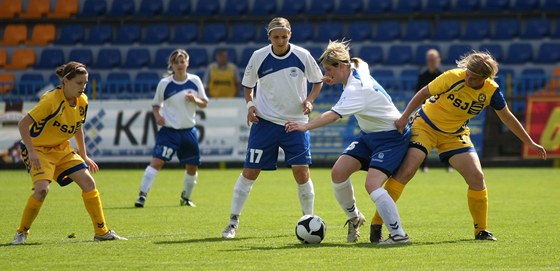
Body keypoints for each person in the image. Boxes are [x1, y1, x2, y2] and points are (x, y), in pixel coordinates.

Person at [369, 50, 547, 243]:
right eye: (467, 72)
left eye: (473, 77)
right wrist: (404, 118)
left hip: (454, 134)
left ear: (484, 78)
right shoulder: (453, 76)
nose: (468, 77)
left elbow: (507, 118)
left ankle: (481, 231)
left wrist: (529, 142)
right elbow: (423, 93)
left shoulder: (491, 92)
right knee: (406, 171)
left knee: (477, 177)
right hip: (425, 126)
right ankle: (377, 224)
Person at [285, 40, 411, 245]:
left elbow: (333, 115)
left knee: (372, 185)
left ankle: (399, 235)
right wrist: (333, 77)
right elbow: (360, 61)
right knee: (338, 172)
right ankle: (355, 218)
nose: (326, 73)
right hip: (369, 136)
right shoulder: (356, 68)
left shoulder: (356, 89)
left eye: (329, 69)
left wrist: (304, 126)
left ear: (342, 66)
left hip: (391, 137)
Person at [221, 17, 323, 239]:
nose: (280, 40)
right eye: (276, 36)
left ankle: (309, 220)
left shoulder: (302, 55)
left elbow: (318, 80)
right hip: (265, 123)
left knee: (302, 173)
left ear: (290, 35)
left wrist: (310, 100)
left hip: (295, 123)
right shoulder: (258, 56)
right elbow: (248, 86)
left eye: (284, 36)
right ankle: (232, 222)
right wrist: (250, 106)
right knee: (250, 172)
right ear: (269, 36)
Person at [13, 61, 127, 245]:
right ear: (65, 81)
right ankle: (22, 232)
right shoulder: (50, 101)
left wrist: (84, 155)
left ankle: (101, 232)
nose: (83, 87)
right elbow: (22, 124)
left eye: (85, 83)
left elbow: (77, 127)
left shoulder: (83, 101)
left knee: (89, 182)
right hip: (39, 150)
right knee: (42, 191)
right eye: (79, 82)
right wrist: (32, 152)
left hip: (61, 148)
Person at [134, 49, 209, 208]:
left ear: (187, 63)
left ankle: (185, 198)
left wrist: (195, 99)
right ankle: (142, 195)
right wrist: (158, 116)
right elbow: (156, 105)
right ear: (171, 65)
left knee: (192, 167)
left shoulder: (195, 81)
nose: (180, 65)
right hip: (169, 132)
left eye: (182, 61)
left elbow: (204, 103)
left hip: (189, 131)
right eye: (176, 62)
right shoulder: (165, 84)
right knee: (157, 162)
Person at [415, 48, 452, 173]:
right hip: (426, 112)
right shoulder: (422, 76)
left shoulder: (443, 75)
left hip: (441, 112)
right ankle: (423, 165)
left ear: (438, 60)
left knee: (445, 138)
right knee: (423, 139)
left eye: (433, 59)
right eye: (429, 60)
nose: (431, 62)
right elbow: (418, 94)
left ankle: (448, 165)